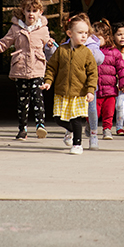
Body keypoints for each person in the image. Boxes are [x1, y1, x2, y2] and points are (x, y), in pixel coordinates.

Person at [0, 0, 56, 140]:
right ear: (23, 12)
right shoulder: (16, 29)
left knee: (37, 97)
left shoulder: (43, 30)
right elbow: (3, 43)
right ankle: (22, 129)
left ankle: (40, 125)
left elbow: (50, 47)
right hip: (20, 69)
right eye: (28, 10)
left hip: (37, 68)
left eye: (34, 10)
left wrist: (50, 45)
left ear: (40, 13)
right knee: (22, 101)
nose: (31, 13)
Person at [43, 16, 98, 155]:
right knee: (58, 118)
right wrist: (48, 82)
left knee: (76, 119)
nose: (84, 36)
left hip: (79, 93)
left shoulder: (86, 53)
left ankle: (77, 144)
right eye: (80, 33)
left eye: (86, 33)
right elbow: (51, 68)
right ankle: (72, 130)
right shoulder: (61, 50)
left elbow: (93, 73)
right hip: (62, 92)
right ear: (70, 34)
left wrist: (91, 90)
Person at [93, 19, 124, 139]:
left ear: (106, 37)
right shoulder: (90, 52)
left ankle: (107, 130)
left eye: (98, 38)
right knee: (95, 112)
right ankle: (91, 127)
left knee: (108, 112)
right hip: (95, 90)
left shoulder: (114, 52)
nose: (95, 42)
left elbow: (122, 68)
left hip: (110, 90)